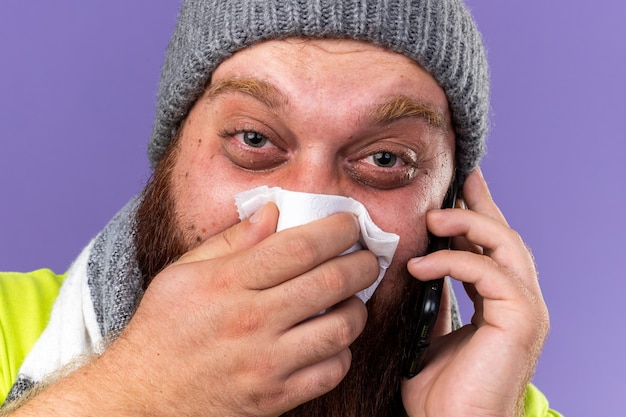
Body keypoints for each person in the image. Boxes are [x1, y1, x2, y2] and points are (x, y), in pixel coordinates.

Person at [0, 0, 560, 415]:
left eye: (386, 158)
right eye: (253, 140)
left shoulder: (499, 400)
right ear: (173, 156)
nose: (308, 224)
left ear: (453, 205)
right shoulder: (8, 326)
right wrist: (135, 394)